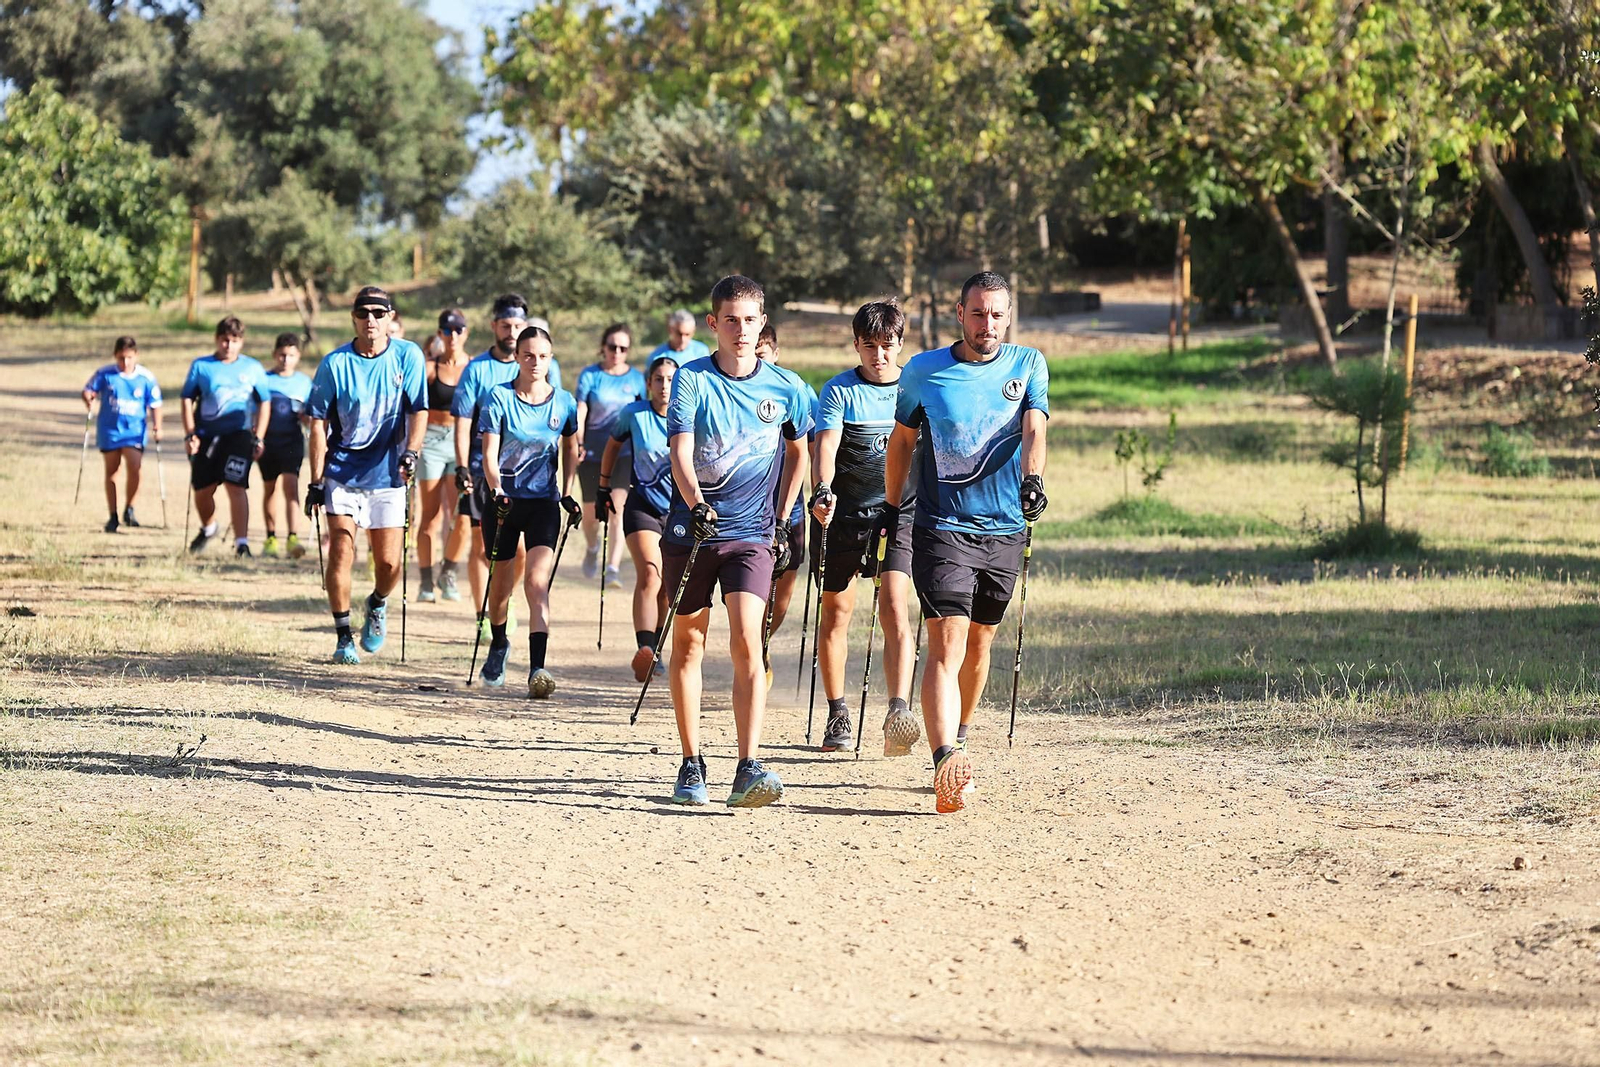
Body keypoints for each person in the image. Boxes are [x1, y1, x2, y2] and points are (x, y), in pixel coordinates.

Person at [880, 272, 1049, 813]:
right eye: (979, 314)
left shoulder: (1028, 366)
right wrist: (891, 505)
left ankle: (962, 734)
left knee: (980, 645)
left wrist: (1033, 480)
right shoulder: (924, 371)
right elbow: (902, 440)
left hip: (1003, 528)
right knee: (947, 644)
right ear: (960, 312)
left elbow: (1035, 429)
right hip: (941, 527)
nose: (989, 325)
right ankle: (944, 757)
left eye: (998, 314)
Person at [661, 275, 810, 808]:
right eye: (731, 321)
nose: (741, 331)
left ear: (761, 323)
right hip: (693, 529)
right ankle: (691, 761)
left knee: (749, 638)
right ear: (713, 325)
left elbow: (800, 451)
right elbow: (680, 452)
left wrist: (784, 512)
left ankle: (748, 765)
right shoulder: (691, 380)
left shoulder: (786, 386)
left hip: (751, 535)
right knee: (690, 644)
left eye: (750, 321)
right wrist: (697, 502)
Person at [810, 300, 920, 755]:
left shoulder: (914, 389)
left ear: (900, 344)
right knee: (837, 613)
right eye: (869, 346)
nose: (879, 355)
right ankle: (837, 710)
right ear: (856, 344)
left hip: (899, 514)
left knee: (895, 606)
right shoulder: (838, 390)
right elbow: (828, 445)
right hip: (845, 516)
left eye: (887, 345)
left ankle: (899, 710)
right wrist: (822, 489)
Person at [304, 286, 427, 665]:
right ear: (353, 319)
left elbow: (419, 410)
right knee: (341, 550)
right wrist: (316, 479)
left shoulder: (408, 356)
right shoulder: (334, 363)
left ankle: (377, 602)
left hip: (388, 475)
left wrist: (412, 452)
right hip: (342, 473)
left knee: (389, 564)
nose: (370, 319)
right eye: (362, 313)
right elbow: (317, 423)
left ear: (391, 317)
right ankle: (343, 636)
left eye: (378, 312)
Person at [478, 324, 581, 695]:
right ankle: (499, 641)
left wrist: (568, 492)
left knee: (537, 583)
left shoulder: (564, 402)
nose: (535, 362)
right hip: (503, 504)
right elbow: (489, 453)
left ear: (550, 359)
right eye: (528, 356)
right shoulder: (499, 397)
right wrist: (496, 489)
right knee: (501, 589)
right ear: (517, 358)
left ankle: (538, 668)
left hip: (543, 504)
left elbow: (572, 448)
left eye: (542, 356)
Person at [453, 295, 557, 638]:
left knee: (523, 551)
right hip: (484, 471)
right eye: (506, 325)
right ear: (494, 326)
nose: (512, 331)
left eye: (518, 326)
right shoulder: (478, 369)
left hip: (531, 481)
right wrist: (462, 465)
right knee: (481, 546)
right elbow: (463, 420)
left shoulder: (540, 363)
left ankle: (502, 597)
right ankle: (484, 612)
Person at [600, 354, 677, 682]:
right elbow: (613, 444)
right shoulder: (634, 414)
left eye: (671, 380)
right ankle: (644, 649)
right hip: (642, 508)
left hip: (679, 512)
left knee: (669, 588)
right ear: (648, 384)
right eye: (658, 379)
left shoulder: (689, 417)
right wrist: (604, 486)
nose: (664, 386)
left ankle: (656, 648)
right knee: (650, 573)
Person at [752, 323, 815, 686]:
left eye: (762, 354)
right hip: (749, 511)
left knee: (784, 590)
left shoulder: (797, 389)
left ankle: (762, 643)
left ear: (775, 353)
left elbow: (816, 444)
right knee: (752, 590)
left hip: (790, 510)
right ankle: (750, 648)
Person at [181, 316, 271, 557]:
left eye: (234, 341)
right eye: (224, 340)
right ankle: (209, 527)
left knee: (235, 485)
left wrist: (259, 436)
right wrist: (190, 434)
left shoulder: (252, 368)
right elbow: (187, 398)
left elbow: (265, 402)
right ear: (216, 340)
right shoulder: (201, 366)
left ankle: (242, 543)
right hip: (207, 436)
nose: (229, 346)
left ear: (241, 342)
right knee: (202, 490)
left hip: (239, 436)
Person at [576, 323, 646, 587]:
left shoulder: (636, 378)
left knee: (618, 511)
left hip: (625, 453)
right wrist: (579, 441)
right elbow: (582, 409)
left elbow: (643, 413)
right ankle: (593, 547)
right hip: (593, 451)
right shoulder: (590, 375)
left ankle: (613, 567)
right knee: (592, 513)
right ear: (603, 348)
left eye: (623, 348)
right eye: (612, 347)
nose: (617, 352)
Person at [416, 308, 472, 602]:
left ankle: (448, 571)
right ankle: (425, 579)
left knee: (462, 515)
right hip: (432, 441)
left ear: (467, 332)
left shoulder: (474, 368)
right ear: (439, 333)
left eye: (458, 330)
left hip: (462, 442)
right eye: (447, 330)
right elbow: (413, 407)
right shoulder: (429, 368)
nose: (453, 336)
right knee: (431, 516)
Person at [82, 335, 162, 533]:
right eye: (120, 358)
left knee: (135, 466)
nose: (125, 362)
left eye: (129, 358)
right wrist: (89, 399)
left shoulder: (145, 378)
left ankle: (130, 508)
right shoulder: (106, 374)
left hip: (134, 431)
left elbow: (155, 404)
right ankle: (113, 515)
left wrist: (157, 426)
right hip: (110, 430)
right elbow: (88, 389)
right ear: (115, 356)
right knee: (112, 470)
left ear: (136, 356)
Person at [258, 333, 312, 559]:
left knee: (291, 486)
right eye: (281, 355)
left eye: (291, 355)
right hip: (269, 442)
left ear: (298, 356)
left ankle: (292, 537)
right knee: (269, 488)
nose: (285, 360)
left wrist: (304, 417)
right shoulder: (264, 379)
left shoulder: (304, 382)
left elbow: (312, 416)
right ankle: (270, 537)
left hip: (292, 442)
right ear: (274, 354)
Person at [647, 308, 711, 364]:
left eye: (687, 334)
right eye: (679, 334)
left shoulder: (702, 352)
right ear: (670, 330)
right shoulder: (657, 356)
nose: (683, 339)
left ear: (693, 331)